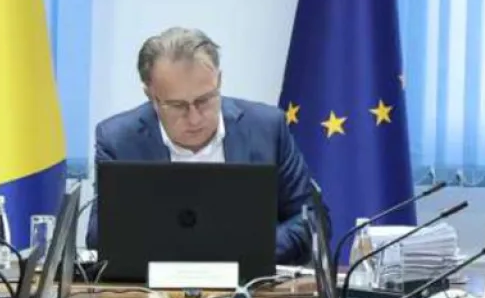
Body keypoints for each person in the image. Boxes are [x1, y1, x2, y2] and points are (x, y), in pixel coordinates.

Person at [86, 27, 315, 264]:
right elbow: (99, 237)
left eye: (204, 100)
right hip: (154, 285)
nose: (194, 118)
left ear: (219, 80)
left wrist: (249, 250)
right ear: (151, 95)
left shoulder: (266, 128)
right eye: (177, 105)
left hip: (251, 283)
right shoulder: (118, 141)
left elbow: (311, 219)